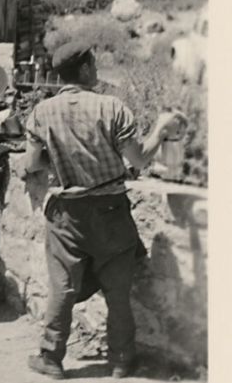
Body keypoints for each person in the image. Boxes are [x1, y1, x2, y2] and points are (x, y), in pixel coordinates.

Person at [22, 41, 187, 379]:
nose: (97, 70)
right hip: (112, 211)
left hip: (67, 215)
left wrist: (59, 154)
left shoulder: (42, 112)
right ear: (83, 69)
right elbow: (139, 159)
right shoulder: (112, 107)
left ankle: (51, 358)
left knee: (63, 289)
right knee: (117, 292)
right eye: (94, 65)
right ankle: (122, 361)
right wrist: (160, 129)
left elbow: (31, 164)